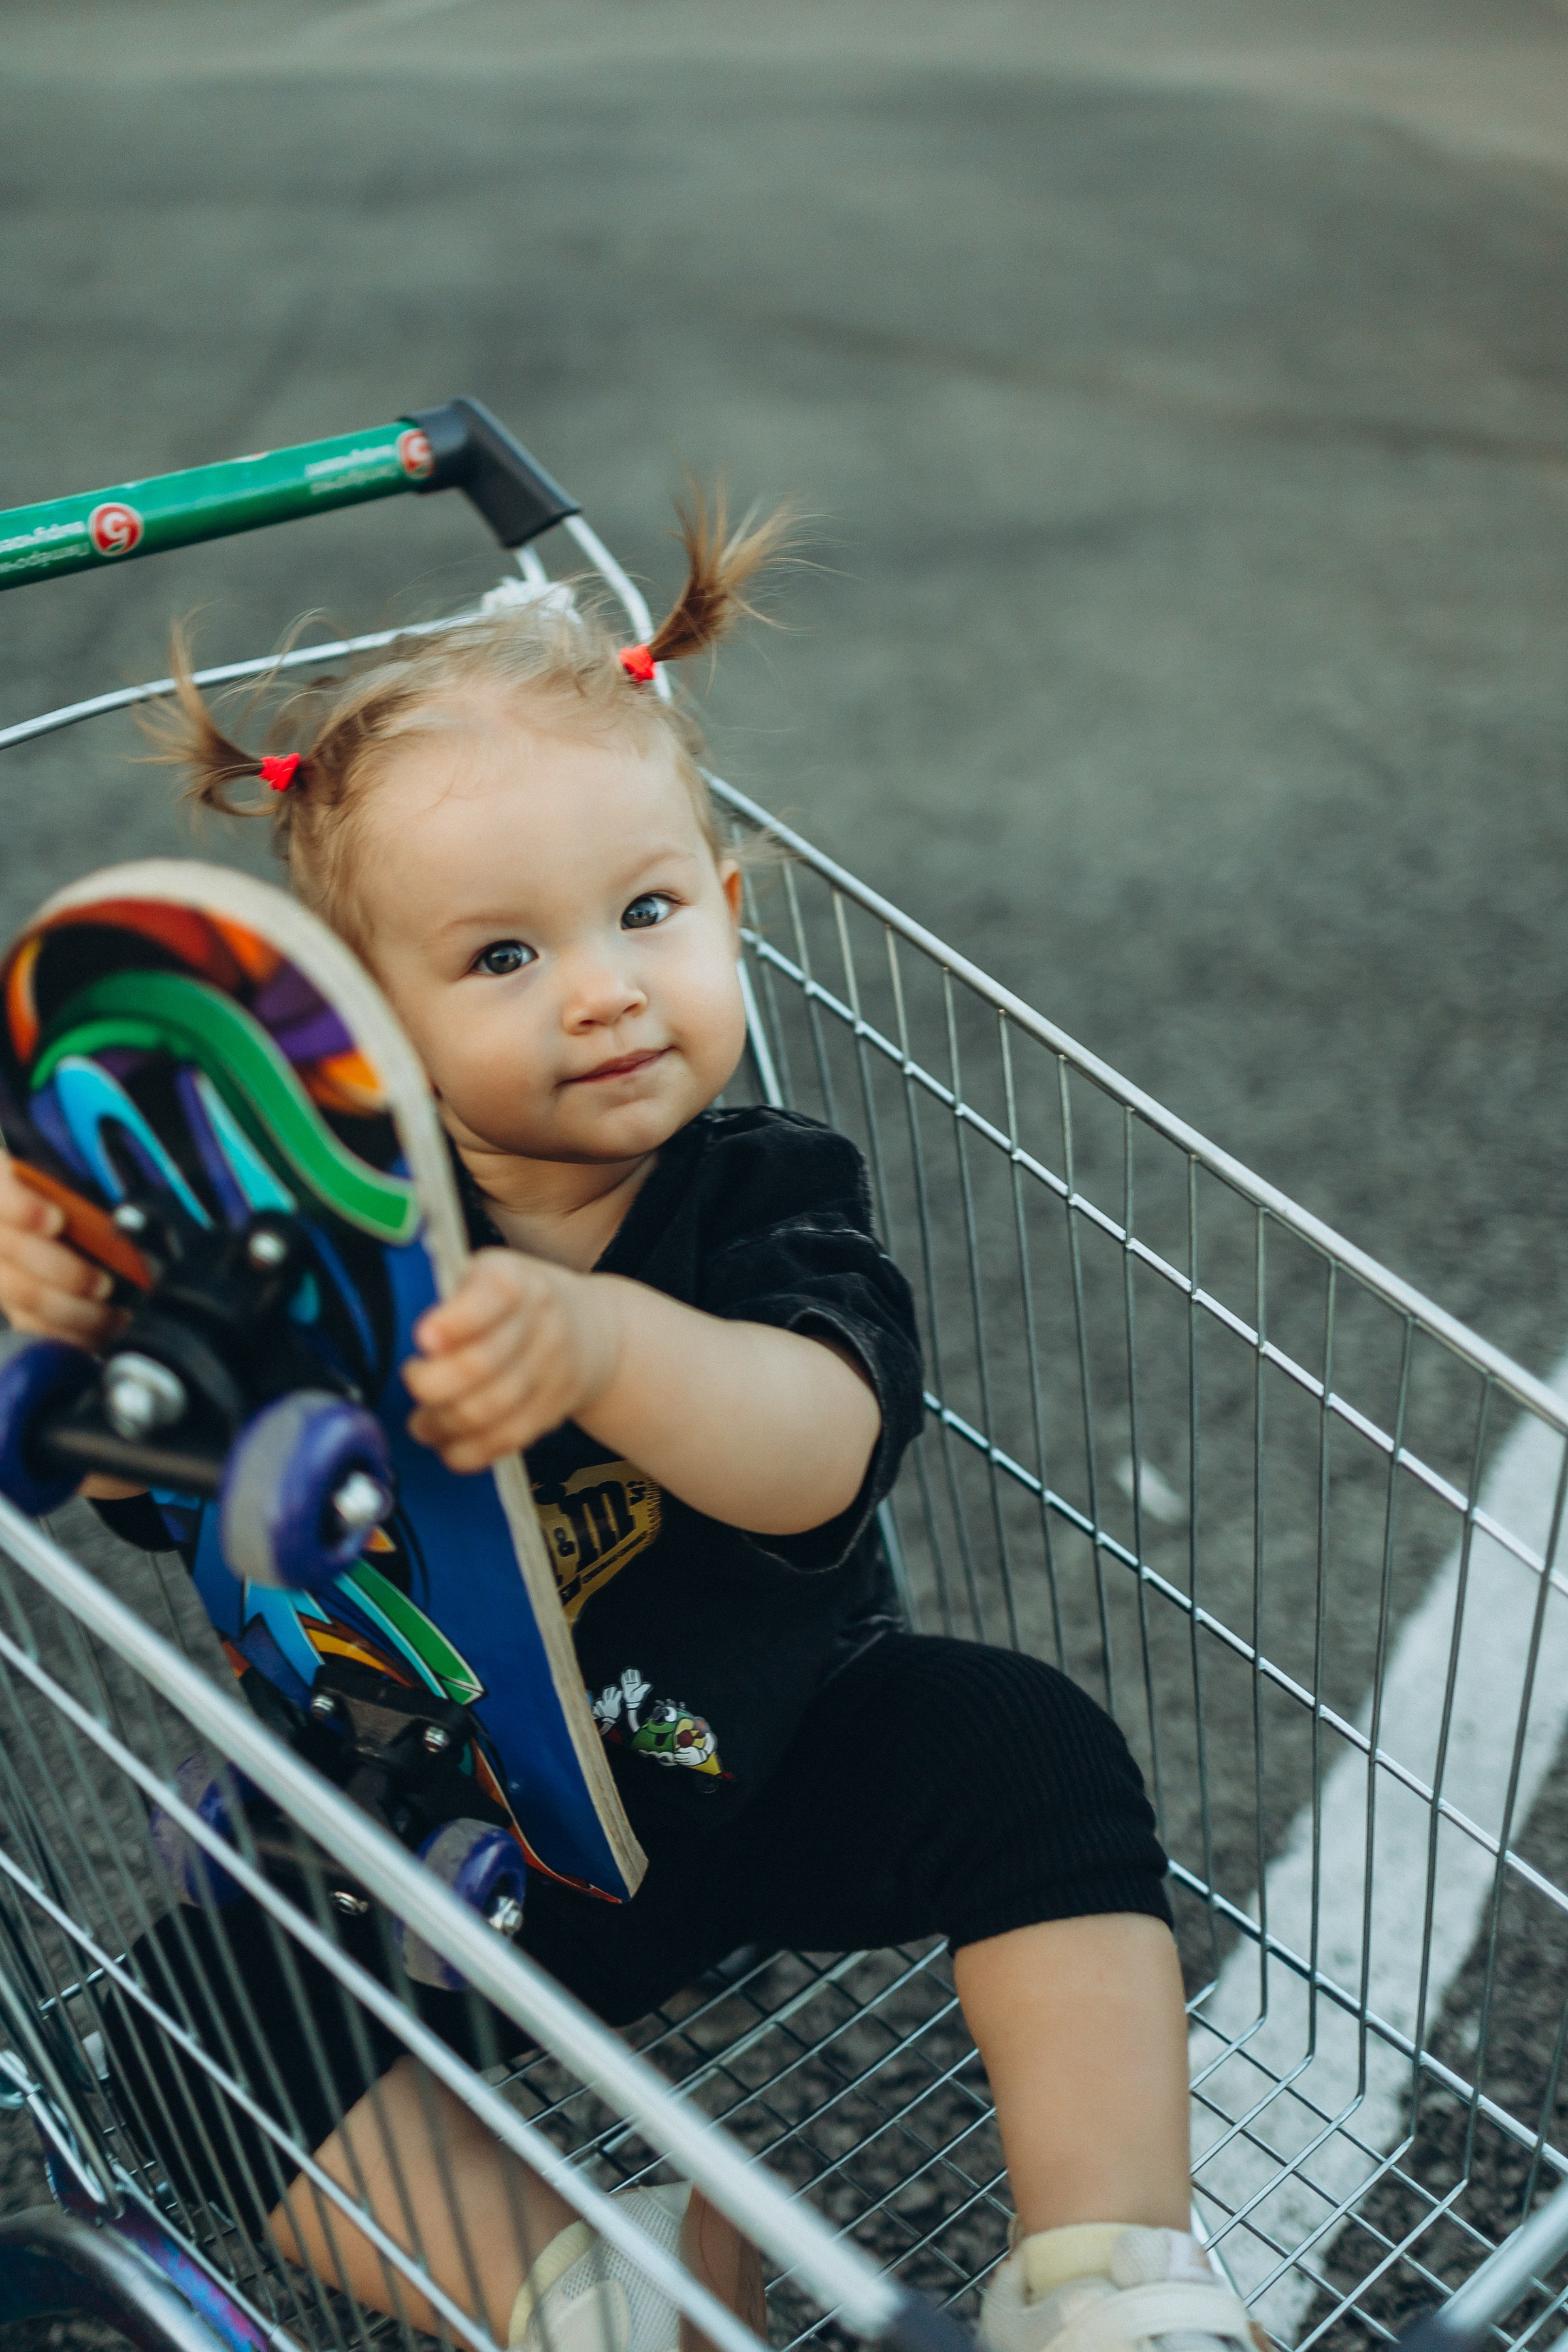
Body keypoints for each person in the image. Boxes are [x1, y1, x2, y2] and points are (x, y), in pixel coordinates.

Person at [0, 495, 1256, 2352]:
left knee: (1027, 1750)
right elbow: (154, 1475)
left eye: (647, 913)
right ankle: (597, 2288)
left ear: (727, 912)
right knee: (191, 2020)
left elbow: (820, 1441)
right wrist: (75, 1310)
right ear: (376, 1044)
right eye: (500, 959)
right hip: (439, 1838)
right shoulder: (316, 1246)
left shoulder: (757, 1193)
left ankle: (1112, 2272)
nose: (600, 988)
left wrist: (600, 1350)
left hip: (774, 1762)